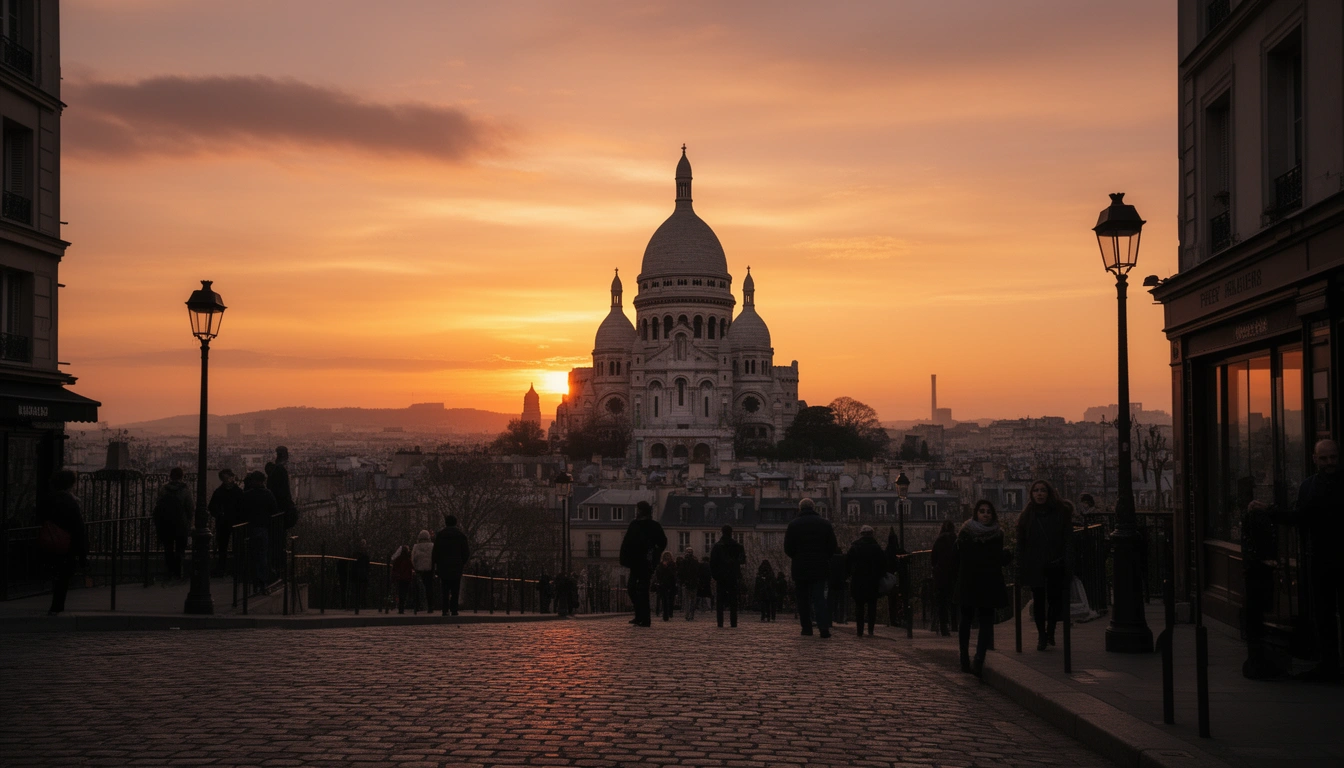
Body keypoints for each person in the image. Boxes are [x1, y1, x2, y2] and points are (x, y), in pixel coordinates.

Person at [1250, 438, 1344, 682]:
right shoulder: (1309, 486)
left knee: (1324, 615)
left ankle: (1330, 666)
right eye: (1324, 458)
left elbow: (1299, 517)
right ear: (1314, 459)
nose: (1329, 462)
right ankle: (1330, 664)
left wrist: (1269, 511)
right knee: (1323, 615)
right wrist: (1270, 511)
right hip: (1321, 559)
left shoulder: (1310, 486)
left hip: (1323, 558)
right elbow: (1298, 517)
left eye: (1332, 457)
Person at [956, 500, 1012, 678]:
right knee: (967, 620)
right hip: (971, 580)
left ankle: (979, 659)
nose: (986, 514)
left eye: (988, 511)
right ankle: (965, 657)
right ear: (976, 514)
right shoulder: (966, 533)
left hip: (987, 581)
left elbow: (996, 558)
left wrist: (1004, 556)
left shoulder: (997, 534)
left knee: (985, 622)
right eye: (982, 511)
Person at [1017, 479, 1071, 651]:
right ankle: (1042, 635)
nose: (1039, 493)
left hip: (1054, 562)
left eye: (1042, 490)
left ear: (1049, 493)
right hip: (1036, 563)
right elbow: (1021, 542)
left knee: (1054, 600)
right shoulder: (1027, 515)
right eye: (1036, 491)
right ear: (1032, 494)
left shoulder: (1060, 512)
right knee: (1039, 601)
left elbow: (1067, 538)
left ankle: (1051, 630)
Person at [784, 498, 837, 638]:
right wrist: (824, 557)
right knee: (819, 598)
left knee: (803, 600)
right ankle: (823, 627)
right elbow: (832, 546)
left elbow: (788, 548)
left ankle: (806, 628)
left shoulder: (793, 525)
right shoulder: (825, 524)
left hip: (800, 566)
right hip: (820, 566)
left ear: (800, 509)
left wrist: (797, 556)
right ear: (814, 508)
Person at [38, 470, 87, 616]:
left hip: (50, 541)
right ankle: (57, 605)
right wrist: (83, 552)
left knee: (55, 573)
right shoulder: (70, 501)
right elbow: (78, 527)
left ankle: (55, 605)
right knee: (63, 576)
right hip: (66, 544)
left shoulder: (48, 499)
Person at [619, 500, 667, 627]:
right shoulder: (634, 524)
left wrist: (654, 553)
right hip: (636, 562)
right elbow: (627, 542)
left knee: (642, 590)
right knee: (632, 589)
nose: (637, 512)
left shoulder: (653, 526)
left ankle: (645, 618)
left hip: (646, 562)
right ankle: (640, 614)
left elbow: (662, 542)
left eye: (638, 509)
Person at [153, 467, 194, 582]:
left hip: (166, 523)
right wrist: (189, 520)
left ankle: (170, 572)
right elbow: (190, 507)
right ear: (182, 476)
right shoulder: (185, 490)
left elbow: (158, 504)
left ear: (170, 476)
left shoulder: (164, 489)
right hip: (181, 523)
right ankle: (178, 572)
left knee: (168, 548)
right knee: (180, 549)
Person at [240, 470, 278, 594]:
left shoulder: (247, 495)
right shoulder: (268, 494)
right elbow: (274, 510)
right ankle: (263, 583)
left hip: (250, 528)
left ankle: (254, 582)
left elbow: (241, 510)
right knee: (263, 556)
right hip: (263, 528)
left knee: (252, 555)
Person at [847, 525, 886, 637]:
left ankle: (859, 630)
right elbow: (883, 564)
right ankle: (870, 630)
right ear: (872, 534)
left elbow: (848, 563)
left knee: (859, 607)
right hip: (872, 580)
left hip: (858, 580)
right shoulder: (877, 547)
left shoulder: (855, 547)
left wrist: (850, 574)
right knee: (872, 606)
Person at [432, 514, 471, 616]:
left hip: (443, 566)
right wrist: (461, 562)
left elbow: (435, 552)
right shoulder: (461, 535)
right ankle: (454, 609)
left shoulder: (440, 535)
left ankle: (445, 609)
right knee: (455, 589)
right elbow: (466, 552)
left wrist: (437, 563)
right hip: (456, 566)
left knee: (444, 589)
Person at [207, 468, 243, 576]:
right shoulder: (238, 492)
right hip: (233, 522)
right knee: (229, 546)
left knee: (225, 546)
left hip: (224, 522)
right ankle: (235, 568)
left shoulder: (219, 492)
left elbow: (212, 507)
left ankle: (222, 568)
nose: (227, 480)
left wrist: (218, 514)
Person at [710, 525, 746, 628]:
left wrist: (715, 575)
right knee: (733, 601)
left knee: (720, 602)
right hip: (732, 576)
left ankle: (720, 623)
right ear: (731, 532)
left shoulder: (717, 546)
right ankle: (733, 623)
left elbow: (712, 563)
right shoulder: (737, 546)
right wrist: (734, 564)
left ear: (722, 532)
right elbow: (743, 560)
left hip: (721, 577)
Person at [930, 520, 958, 636]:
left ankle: (943, 627)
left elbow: (933, 559)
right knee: (954, 600)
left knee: (941, 602)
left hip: (941, 575)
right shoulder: (956, 540)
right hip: (954, 574)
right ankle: (955, 624)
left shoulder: (938, 540)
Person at [885, 528, 908, 627]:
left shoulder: (887, 551)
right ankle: (900, 618)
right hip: (899, 577)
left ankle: (893, 619)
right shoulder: (898, 550)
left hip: (889, 577)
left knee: (892, 600)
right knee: (901, 598)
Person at [411, 529, 435, 612]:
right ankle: (430, 606)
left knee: (418, 588)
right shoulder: (432, 546)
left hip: (419, 570)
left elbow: (413, 559)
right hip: (429, 569)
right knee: (429, 588)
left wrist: (415, 567)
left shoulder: (416, 547)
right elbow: (434, 558)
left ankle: (417, 606)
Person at [677, 547, 701, 620]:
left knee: (690, 600)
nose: (689, 553)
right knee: (688, 600)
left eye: (690, 552)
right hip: (688, 583)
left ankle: (689, 615)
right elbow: (681, 573)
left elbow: (697, 572)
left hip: (691, 582)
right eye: (688, 552)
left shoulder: (692, 561)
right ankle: (689, 615)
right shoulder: (689, 561)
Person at [655, 551, 679, 622]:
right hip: (663, 584)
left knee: (671, 600)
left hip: (671, 584)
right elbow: (658, 573)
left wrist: (666, 567)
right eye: (666, 556)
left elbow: (673, 574)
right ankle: (665, 615)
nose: (667, 557)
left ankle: (670, 613)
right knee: (664, 600)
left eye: (668, 556)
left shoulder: (673, 564)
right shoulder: (660, 565)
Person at [391, 543, 414, 614]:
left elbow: (394, 568)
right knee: (405, 593)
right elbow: (412, 567)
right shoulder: (408, 560)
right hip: (406, 578)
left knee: (400, 592)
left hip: (400, 578)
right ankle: (402, 606)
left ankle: (400, 607)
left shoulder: (398, 559)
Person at [828, 545, 848, 625]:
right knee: (842, 601)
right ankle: (840, 618)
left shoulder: (830, 559)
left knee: (831, 601)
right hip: (842, 582)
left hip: (831, 582)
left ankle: (830, 619)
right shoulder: (844, 558)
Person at [351, 539, 371, 612]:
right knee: (361, 590)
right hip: (362, 574)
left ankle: (358, 604)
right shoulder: (365, 555)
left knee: (358, 590)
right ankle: (361, 604)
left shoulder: (357, 554)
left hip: (358, 574)